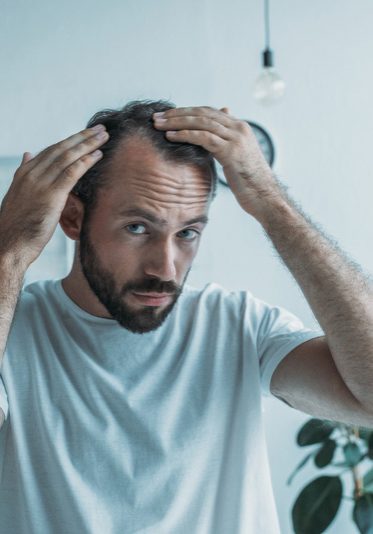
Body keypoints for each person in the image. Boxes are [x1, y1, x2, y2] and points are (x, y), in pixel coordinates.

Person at [0, 99, 372, 534]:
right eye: (138, 228)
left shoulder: (238, 325)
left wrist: (271, 202)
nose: (167, 268)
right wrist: (10, 253)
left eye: (188, 233)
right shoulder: (13, 328)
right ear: (72, 217)